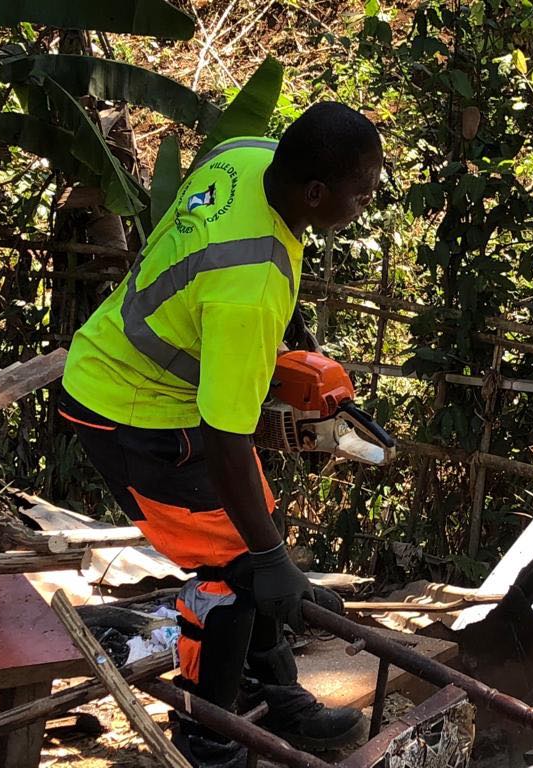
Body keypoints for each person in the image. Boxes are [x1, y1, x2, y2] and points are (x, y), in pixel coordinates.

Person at [58, 102, 384, 766]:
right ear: (316, 192)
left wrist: (292, 346)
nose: (367, 204)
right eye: (362, 194)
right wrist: (269, 563)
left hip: (151, 382)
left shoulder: (246, 156)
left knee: (255, 532)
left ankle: (275, 695)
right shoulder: (249, 290)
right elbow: (228, 437)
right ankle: (208, 739)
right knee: (234, 578)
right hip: (129, 414)